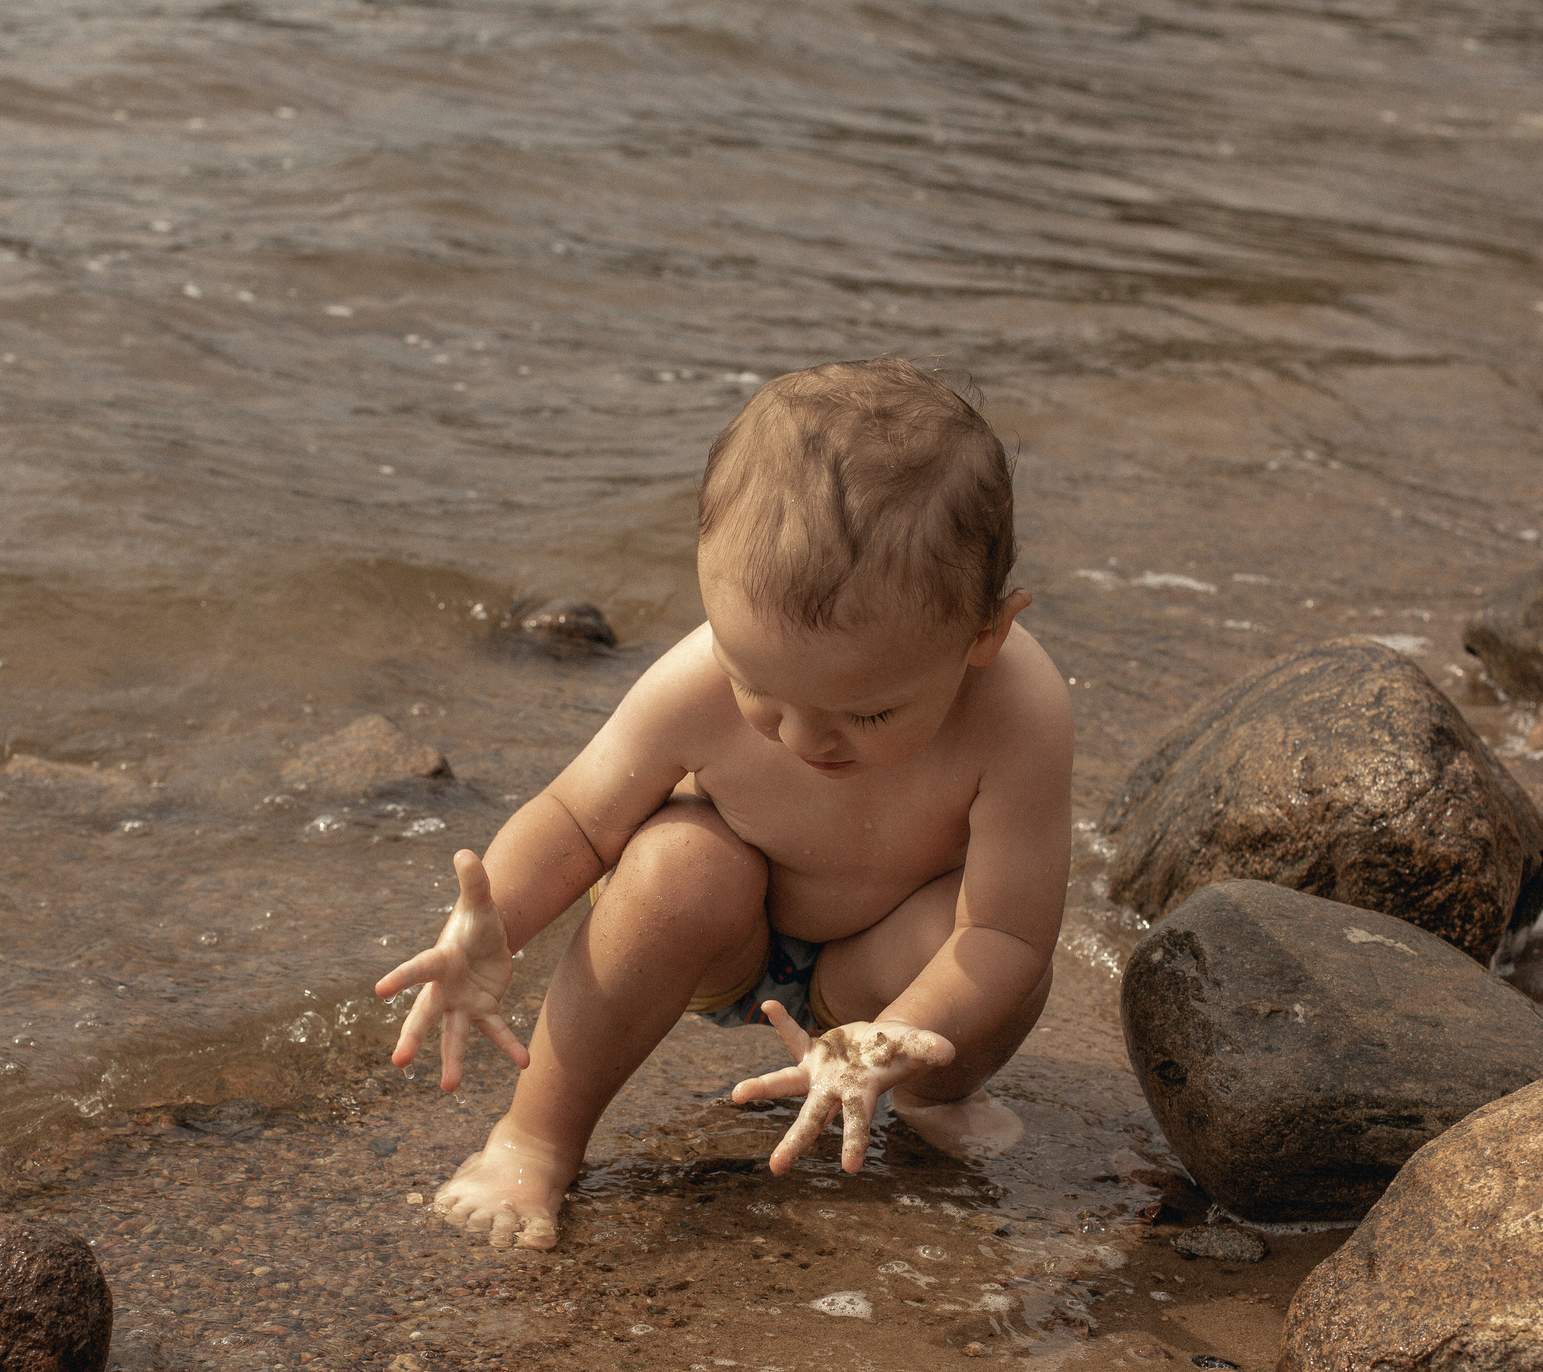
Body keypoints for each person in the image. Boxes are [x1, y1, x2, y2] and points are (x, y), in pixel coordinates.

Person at [376, 357, 1073, 1250]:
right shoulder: (699, 680)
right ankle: (536, 1135)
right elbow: (579, 817)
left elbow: (1005, 932)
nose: (802, 738)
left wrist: (896, 1033)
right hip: (725, 929)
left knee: (988, 960)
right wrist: (492, 923)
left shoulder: (1020, 713)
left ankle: (930, 1094)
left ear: (986, 634)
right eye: (760, 689)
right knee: (675, 864)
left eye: (867, 713)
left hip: (888, 965)